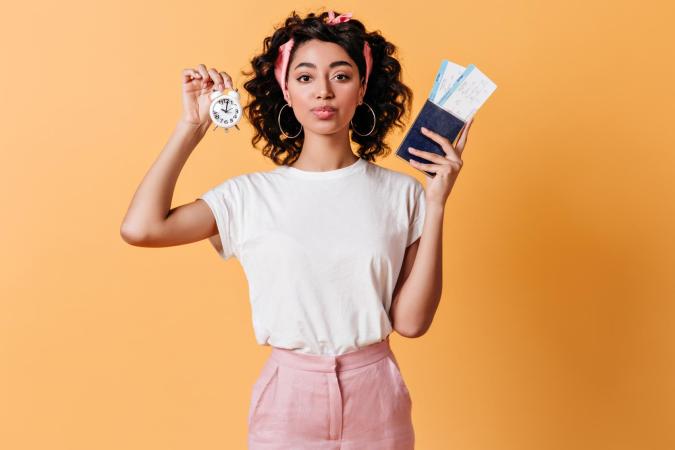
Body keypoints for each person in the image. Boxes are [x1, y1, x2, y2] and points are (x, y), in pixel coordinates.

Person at [120, 9, 474, 450]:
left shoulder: (402, 193)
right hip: (289, 396)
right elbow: (141, 228)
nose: (323, 91)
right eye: (305, 77)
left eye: (341, 76)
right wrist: (192, 127)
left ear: (363, 87)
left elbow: (412, 322)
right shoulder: (249, 196)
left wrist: (437, 204)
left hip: (376, 392)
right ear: (285, 89)